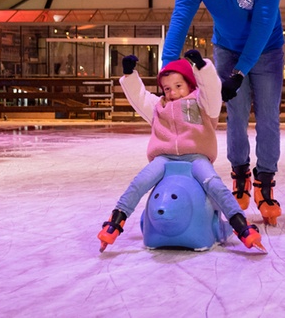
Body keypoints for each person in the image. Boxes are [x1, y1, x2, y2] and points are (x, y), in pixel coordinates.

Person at [161, 0, 285, 225]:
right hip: (227, 48)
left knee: (268, 116)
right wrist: (167, 68)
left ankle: (265, 180)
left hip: (267, 49)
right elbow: (181, 16)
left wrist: (241, 71)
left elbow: (262, 25)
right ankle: (241, 173)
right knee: (236, 115)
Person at [97, 50, 265, 253]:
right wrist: (130, 75)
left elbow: (212, 90)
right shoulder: (159, 107)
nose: (173, 92)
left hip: (196, 157)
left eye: (178, 86)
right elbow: (140, 98)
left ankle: (241, 225)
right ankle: (116, 221)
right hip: (164, 158)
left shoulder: (202, 104)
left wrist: (201, 67)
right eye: (167, 88)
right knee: (140, 182)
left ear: (190, 83)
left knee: (215, 185)